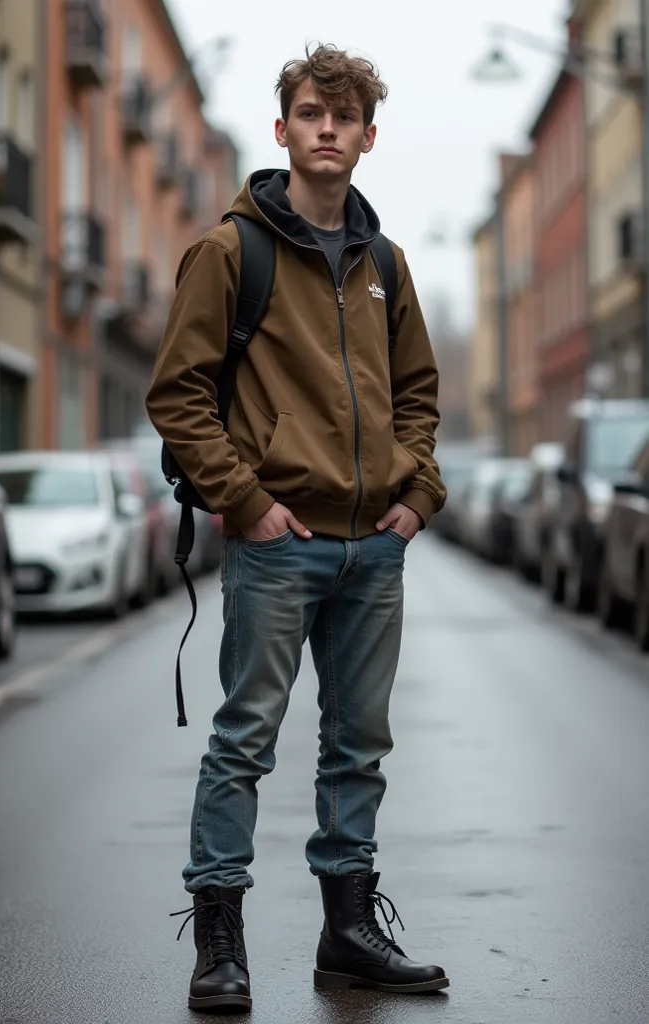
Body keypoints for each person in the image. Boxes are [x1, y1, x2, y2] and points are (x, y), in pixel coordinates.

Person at [146, 42, 448, 1014]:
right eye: (310, 113)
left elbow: (417, 396)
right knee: (245, 740)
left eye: (344, 116)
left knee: (357, 745)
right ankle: (220, 942)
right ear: (283, 130)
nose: (327, 128)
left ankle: (348, 931)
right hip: (279, 547)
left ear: (366, 137)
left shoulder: (385, 264)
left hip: (373, 550)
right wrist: (245, 504)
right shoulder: (231, 251)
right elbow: (178, 394)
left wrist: (417, 497)